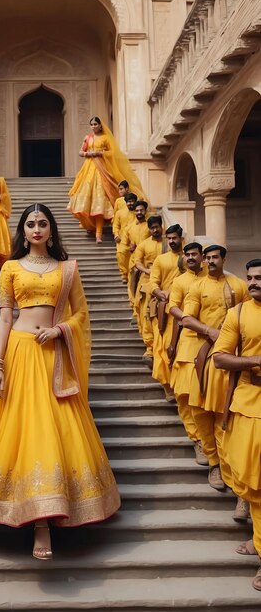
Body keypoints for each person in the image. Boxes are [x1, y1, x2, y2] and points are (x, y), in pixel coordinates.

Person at [0, 204, 120, 559]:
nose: (37, 229)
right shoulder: (11, 267)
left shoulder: (67, 269)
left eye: (43, 223)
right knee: (17, 428)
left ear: (51, 229)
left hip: (54, 356)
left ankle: (50, 514)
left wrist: (60, 330)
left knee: (53, 429)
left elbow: (81, 316)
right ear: (23, 231)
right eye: (30, 224)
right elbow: (4, 317)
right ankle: (28, 518)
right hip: (20, 353)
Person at [182, 245, 249, 496]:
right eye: (207, 258)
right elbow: (186, 319)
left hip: (230, 360)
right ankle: (213, 464)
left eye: (214, 257)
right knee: (200, 411)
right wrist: (210, 331)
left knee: (226, 415)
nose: (210, 261)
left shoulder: (238, 285)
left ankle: (232, 474)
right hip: (202, 357)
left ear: (223, 259)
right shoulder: (196, 286)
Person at [213, 259, 261, 590]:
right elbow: (220, 357)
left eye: (260, 277)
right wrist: (253, 360)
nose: (254, 282)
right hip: (248, 404)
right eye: (251, 278)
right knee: (251, 484)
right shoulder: (239, 313)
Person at [67, 116, 146, 244]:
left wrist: (100, 153)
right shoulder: (88, 138)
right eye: (91, 124)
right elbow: (81, 151)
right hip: (89, 169)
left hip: (103, 169)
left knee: (100, 200)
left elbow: (112, 153)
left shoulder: (106, 138)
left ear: (100, 125)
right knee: (86, 199)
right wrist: (88, 154)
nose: (93, 126)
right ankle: (90, 226)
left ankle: (99, 234)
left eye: (95, 124)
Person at [168, 242, 208, 465]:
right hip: (188, 342)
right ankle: (197, 439)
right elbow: (173, 308)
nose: (190, 257)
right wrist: (189, 320)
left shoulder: (213, 279)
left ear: (203, 257)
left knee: (204, 397)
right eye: (187, 254)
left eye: (194, 254)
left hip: (215, 345)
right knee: (184, 395)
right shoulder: (180, 281)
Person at [148, 224, 185, 401]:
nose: (171, 241)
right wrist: (160, 293)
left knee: (179, 348)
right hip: (165, 311)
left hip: (185, 311)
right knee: (162, 347)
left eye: (174, 238)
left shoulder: (189, 258)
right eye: (168, 238)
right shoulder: (161, 260)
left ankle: (180, 384)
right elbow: (153, 283)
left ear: (181, 238)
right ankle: (167, 386)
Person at [132, 215, 163, 366]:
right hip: (147, 283)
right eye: (152, 228)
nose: (155, 230)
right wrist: (149, 271)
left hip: (165, 284)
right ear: (149, 229)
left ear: (161, 227)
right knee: (146, 315)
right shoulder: (144, 245)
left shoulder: (168, 244)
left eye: (157, 227)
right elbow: (137, 262)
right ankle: (150, 349)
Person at [112, 192, 138, 283]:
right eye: (128, 202)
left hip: (135, 240)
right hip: (122, 239)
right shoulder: (119, 213)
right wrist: (116, 234)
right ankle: (123, 274)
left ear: (135, 202)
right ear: (125, 202)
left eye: (132, 201)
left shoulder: (138, 213)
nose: (130, 203)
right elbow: (116, 225)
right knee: (120, 254)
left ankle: (131, 274)